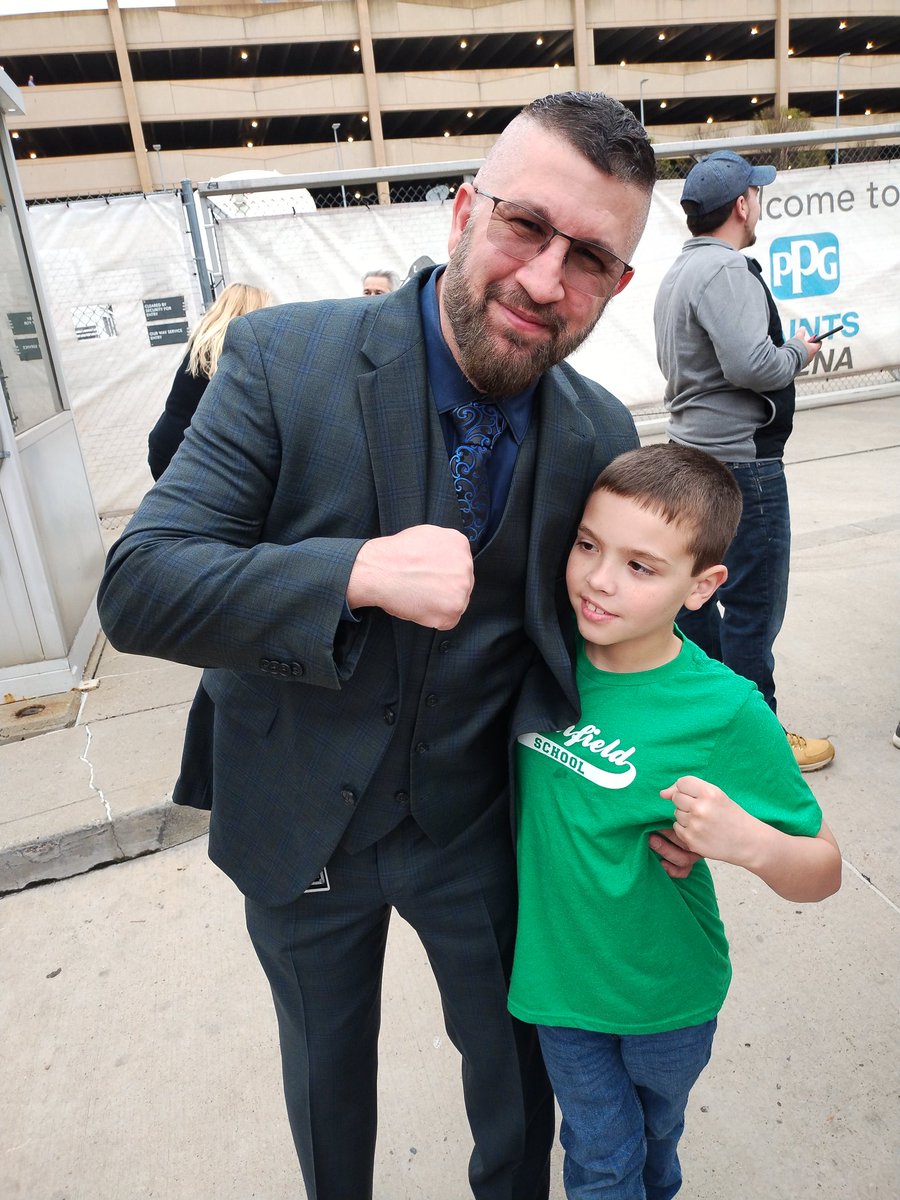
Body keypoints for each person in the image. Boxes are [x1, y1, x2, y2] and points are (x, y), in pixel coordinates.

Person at [98, 91, 688, 1200]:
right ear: (465, 211)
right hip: (300, 826)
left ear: (619, 285)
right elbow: (140, 587)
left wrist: (671, 788)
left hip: (482, 832)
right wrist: (353, 571)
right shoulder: (283, 360)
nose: (546, 279)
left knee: (519, 1080)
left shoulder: (602, 432)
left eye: (592, 259)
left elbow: (615, 640)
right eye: (525, 226)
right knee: (328, 1083)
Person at [509, 443, 842, 1199]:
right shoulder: (543, 650)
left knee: (656, 1134)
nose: (599, 579)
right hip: (559, 987)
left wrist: (746, 841)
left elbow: (821, 868)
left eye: (641, 566)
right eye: (588, 545)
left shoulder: (724, 708)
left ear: (703, 587)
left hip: (670, 996)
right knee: (601, 1158)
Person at [653, 149, 835, 774]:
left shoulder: (679, 272)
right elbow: (751, 365)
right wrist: (797, 353)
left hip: (695, 460)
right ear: (740, 205)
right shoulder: (727, 271)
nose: (757, 203)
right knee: (755, 605)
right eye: (755, 194)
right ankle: (756, 741)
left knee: (697, 601)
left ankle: (710, 724)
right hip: (741, 465)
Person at [147, 282, 271, 480]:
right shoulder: (226, 351)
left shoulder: (205, 343)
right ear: (250, 312)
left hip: (167, 442)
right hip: (184, 452)